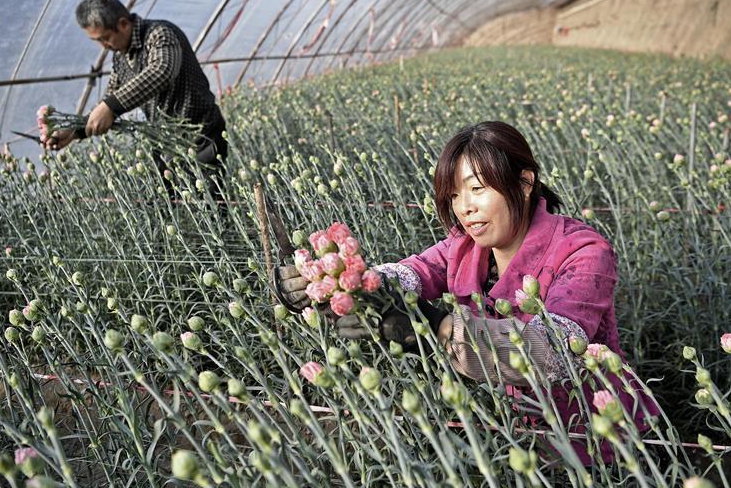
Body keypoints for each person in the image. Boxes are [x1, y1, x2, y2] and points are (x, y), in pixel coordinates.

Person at [276, 121, 658, 465]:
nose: (465, 208)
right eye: (455, 195)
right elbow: (412, 272)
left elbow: (554, 352)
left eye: (477, 189)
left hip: (599, 441)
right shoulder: (464, 247)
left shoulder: (583, 252)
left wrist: (437, 326)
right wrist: (337, 282)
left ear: (524, 184)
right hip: (514, 435)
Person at [45, 0, 227, 197]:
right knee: (172, 206)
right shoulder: (121, 57)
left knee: (211, 206)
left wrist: (111, 107)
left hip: (200, 136)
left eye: (105, 38)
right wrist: (75, 131)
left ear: (123, 24)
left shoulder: (160, 34)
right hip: (166, 143)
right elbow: (108, 100)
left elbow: (162, 71)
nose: (103, 46)